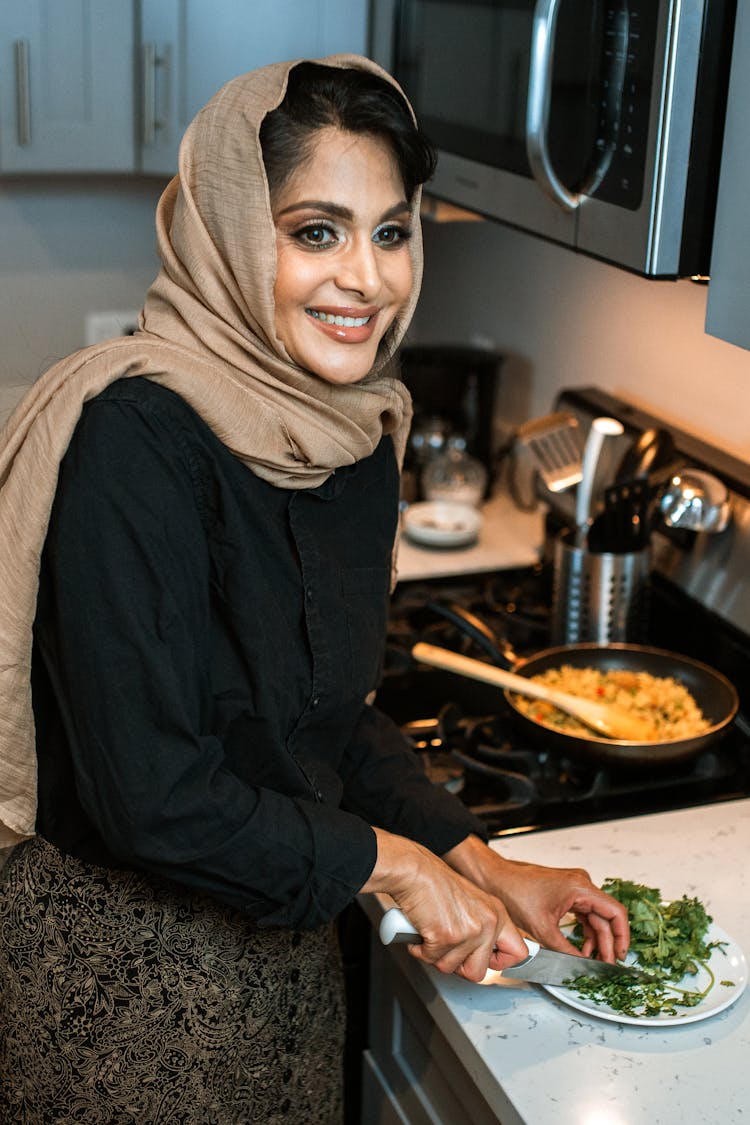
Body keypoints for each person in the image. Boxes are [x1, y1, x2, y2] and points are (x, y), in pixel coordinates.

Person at [0, 54, 629, 1123]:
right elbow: (154, 797)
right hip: (119, 979)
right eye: (316, 231)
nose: (367, 279)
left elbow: (326, 721)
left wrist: (476, 862)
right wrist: (396, 869)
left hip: (290, 941)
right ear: (236, 230)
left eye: (390, 232)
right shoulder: (133, 439)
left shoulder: (358, 430)